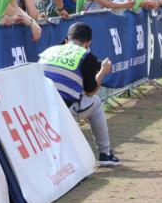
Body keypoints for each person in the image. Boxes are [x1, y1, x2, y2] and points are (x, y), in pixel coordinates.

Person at [39, 21, 120, 167]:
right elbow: (90, 91)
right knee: (95, 102)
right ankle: (105, 153)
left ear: (67, 38)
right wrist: (103, 71)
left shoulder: (49, 50)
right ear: (88, 43)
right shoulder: (86, 56)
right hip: (60, 110)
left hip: (37, 110)